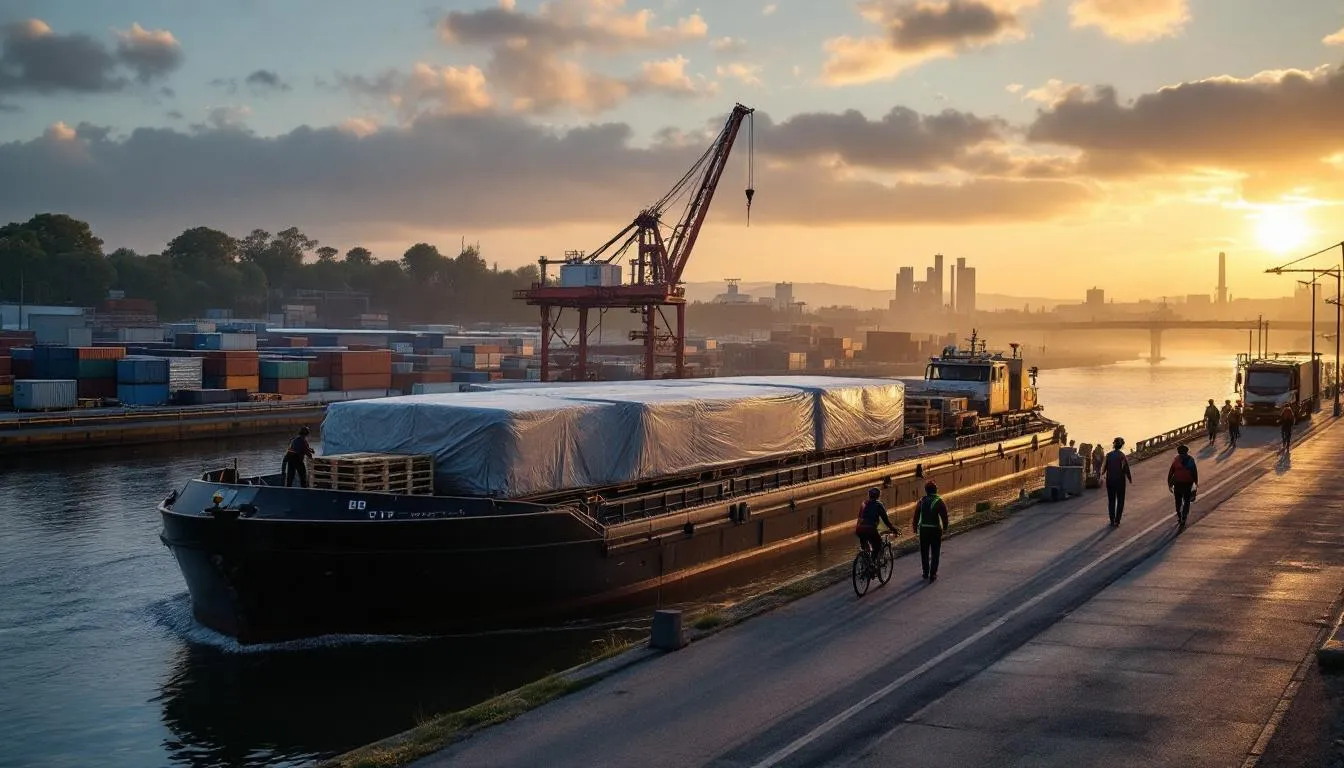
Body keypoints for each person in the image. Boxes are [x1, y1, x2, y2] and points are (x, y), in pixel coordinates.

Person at [912, 481, 950, 581]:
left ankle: (925, 572)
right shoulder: (939, 501)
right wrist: (945, 527)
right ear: (936, 490)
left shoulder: (921, 501)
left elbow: (916, 516)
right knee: (935, 552)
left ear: (926, 491)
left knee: (924, 552)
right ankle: (933, 574)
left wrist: (915, 528)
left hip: (923, 529)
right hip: (935, 530)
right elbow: (944, 516)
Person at [855, 487, 896, 564]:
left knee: (865, 548)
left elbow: (860, 518)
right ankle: (872, 565)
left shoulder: (864, 504)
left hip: (860, 529)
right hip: (870, 529)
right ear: (878, 496)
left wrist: (857, 529)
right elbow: (885, 520)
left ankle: (865, 566)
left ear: (869, 496)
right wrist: (893, 529)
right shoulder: (878, 504)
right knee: (878, 546)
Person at [1101, 437, 1132, 527]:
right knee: (1120, 500)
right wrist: (1129, 478)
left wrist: (1101, 475)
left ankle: (1112, 519)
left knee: (1111, 500)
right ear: (1122, 445)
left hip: (1110, 481)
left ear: (1114, 445)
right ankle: (1117, 520)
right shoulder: (1122, 456)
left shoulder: (1108, 455)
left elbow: (1103, 469)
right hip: (1120, 482)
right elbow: (1126, 468)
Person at [1167, 444, 1198, 528]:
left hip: (1178, 483)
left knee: (1178, 501)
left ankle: (1179, 515)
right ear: (1187, 451)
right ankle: (1184, 517)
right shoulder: (1190, 460)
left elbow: (1171, 472)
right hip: (1188, 483)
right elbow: (1194, 472)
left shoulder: (1176, 460)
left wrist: (1169, 483)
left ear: (1178, 452)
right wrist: (1196, 483)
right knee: (1186, 501)